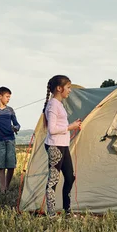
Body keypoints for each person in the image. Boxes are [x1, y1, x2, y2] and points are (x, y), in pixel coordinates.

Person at [43, 75, 82, 217]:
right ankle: (51, 213)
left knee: (70, 177)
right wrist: (70, 126)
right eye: (68, 88)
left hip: (63, 145)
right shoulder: (53, 105)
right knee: (53, 180)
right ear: (59, 88)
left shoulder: (59, 104)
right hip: (55, 146)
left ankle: (67, 210)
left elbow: (59, 125)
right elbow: (52, 129)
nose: (70, 91)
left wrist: (72, 126)